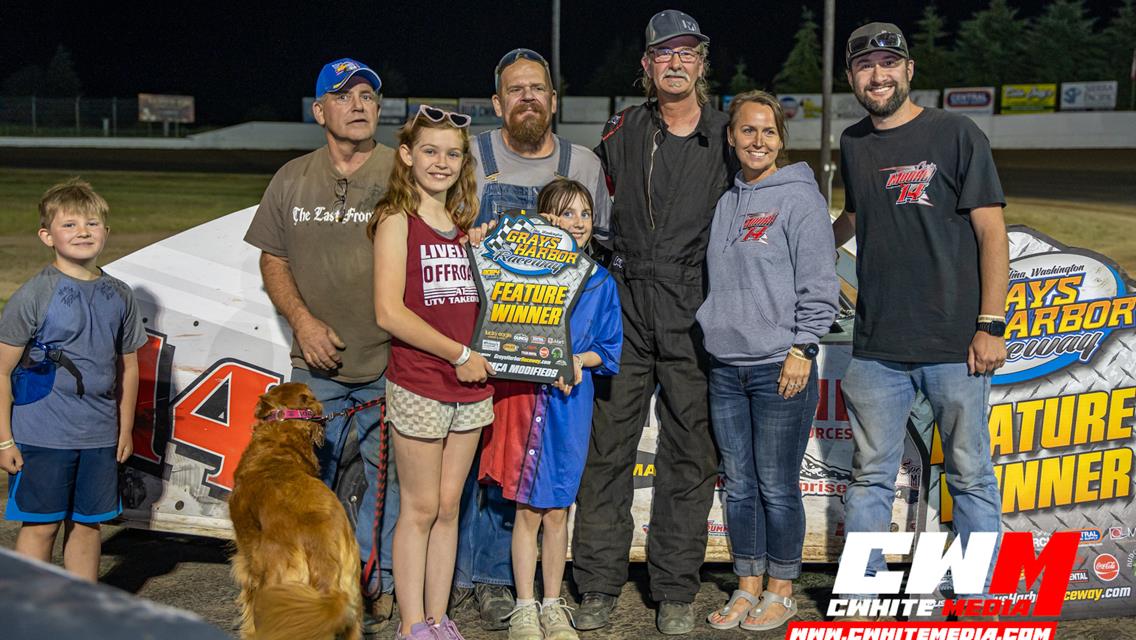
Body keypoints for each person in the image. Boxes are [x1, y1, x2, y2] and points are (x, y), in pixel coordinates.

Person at [830, 23, 1008, 616]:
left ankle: (978, 597)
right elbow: (852, 219)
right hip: (877, 346)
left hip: (954, 344)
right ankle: (862, 593)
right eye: (864, 67)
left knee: (971, 476)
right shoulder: (853, 142)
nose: (876, 76)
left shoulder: (956, 132)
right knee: (870, 479)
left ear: (909, 70)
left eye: (888, 64)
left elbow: (991, 231)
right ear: (851, 77)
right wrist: (801, 254)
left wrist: (991, 324)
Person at [571, 9, 735, 635]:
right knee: (607, 450)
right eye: (663, 53)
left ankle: (673, 589)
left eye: (687, 52)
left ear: (700, 63)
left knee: (690, 454)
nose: (675, 61)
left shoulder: (726, 134)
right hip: (626, 301)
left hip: (695, 308)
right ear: (646, 65)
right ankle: (597, 584)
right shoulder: (622, 130)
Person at [453, 47, 610, 630]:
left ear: (552, 99)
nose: (527, 98)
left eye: (537, 88)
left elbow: (593, 248)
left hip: (555, 352)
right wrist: (469, 234)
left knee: (532, 487)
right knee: (488, 473)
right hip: (488, 343)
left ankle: (515, 589)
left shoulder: (583, 164)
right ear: (497, 103)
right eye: (515, 89)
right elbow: (441, 234)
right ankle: (480, 579)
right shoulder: (470, 156)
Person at [242, 57, 399, 629]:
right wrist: (303, 323)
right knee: (304, 490)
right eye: (343, 95)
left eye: (367, 96)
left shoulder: (403, 169)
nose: (358, 105)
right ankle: (312, 593)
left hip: (393, 362)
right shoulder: (292, 177)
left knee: (390, 487)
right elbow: (272, 257)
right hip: (316, 367)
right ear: (319, 111)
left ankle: (371, 587)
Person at [696, 91, 839, 632]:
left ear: (781, 139)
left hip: (782, 363)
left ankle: (782, 588)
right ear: (731, 138)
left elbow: (819, 286)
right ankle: (747, 584)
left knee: (777, 485)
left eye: (768, 132)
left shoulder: (800, 199)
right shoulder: (727, 201)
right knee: (739, 483)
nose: (758, 141)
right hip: (727, 368)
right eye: (747, 131)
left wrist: (803, 348)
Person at [370, 104, 495, 640]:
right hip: (423, 382)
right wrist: (459, 355)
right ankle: (410, 623)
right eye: (430, 151)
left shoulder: (464, 228)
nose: (441, 162)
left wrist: (489, 256)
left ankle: (439, 618)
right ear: (406, 155)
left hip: (472, 389)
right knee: (419, 508)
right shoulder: (397, 219)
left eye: (452, 153)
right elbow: (389, 313)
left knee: (449, 507)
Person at [478, 179, 623, 640]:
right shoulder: (513, 272)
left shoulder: (600, 282)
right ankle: (525, 605)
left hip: (568, 408)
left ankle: (552, 604)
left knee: (558, 510)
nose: (576, 222)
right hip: (521, 404)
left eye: (583, 213)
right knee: (525, 511)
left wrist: (578, 359)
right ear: (543, 220)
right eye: (563, 213)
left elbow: (610, 347)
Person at [0, 179, 147, 581]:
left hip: (99, 434)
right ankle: (30, 615)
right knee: (42, 525)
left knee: (88, 525)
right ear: (46, 235)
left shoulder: (120, 294)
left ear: (106, 232)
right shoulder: (35, 294)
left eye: (92, 223)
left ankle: (81, 613)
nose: (83, 231)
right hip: (43, 435)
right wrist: (4, 440)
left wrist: (125, 427)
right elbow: (1, 369)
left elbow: (128, 366)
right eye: (69, 225)